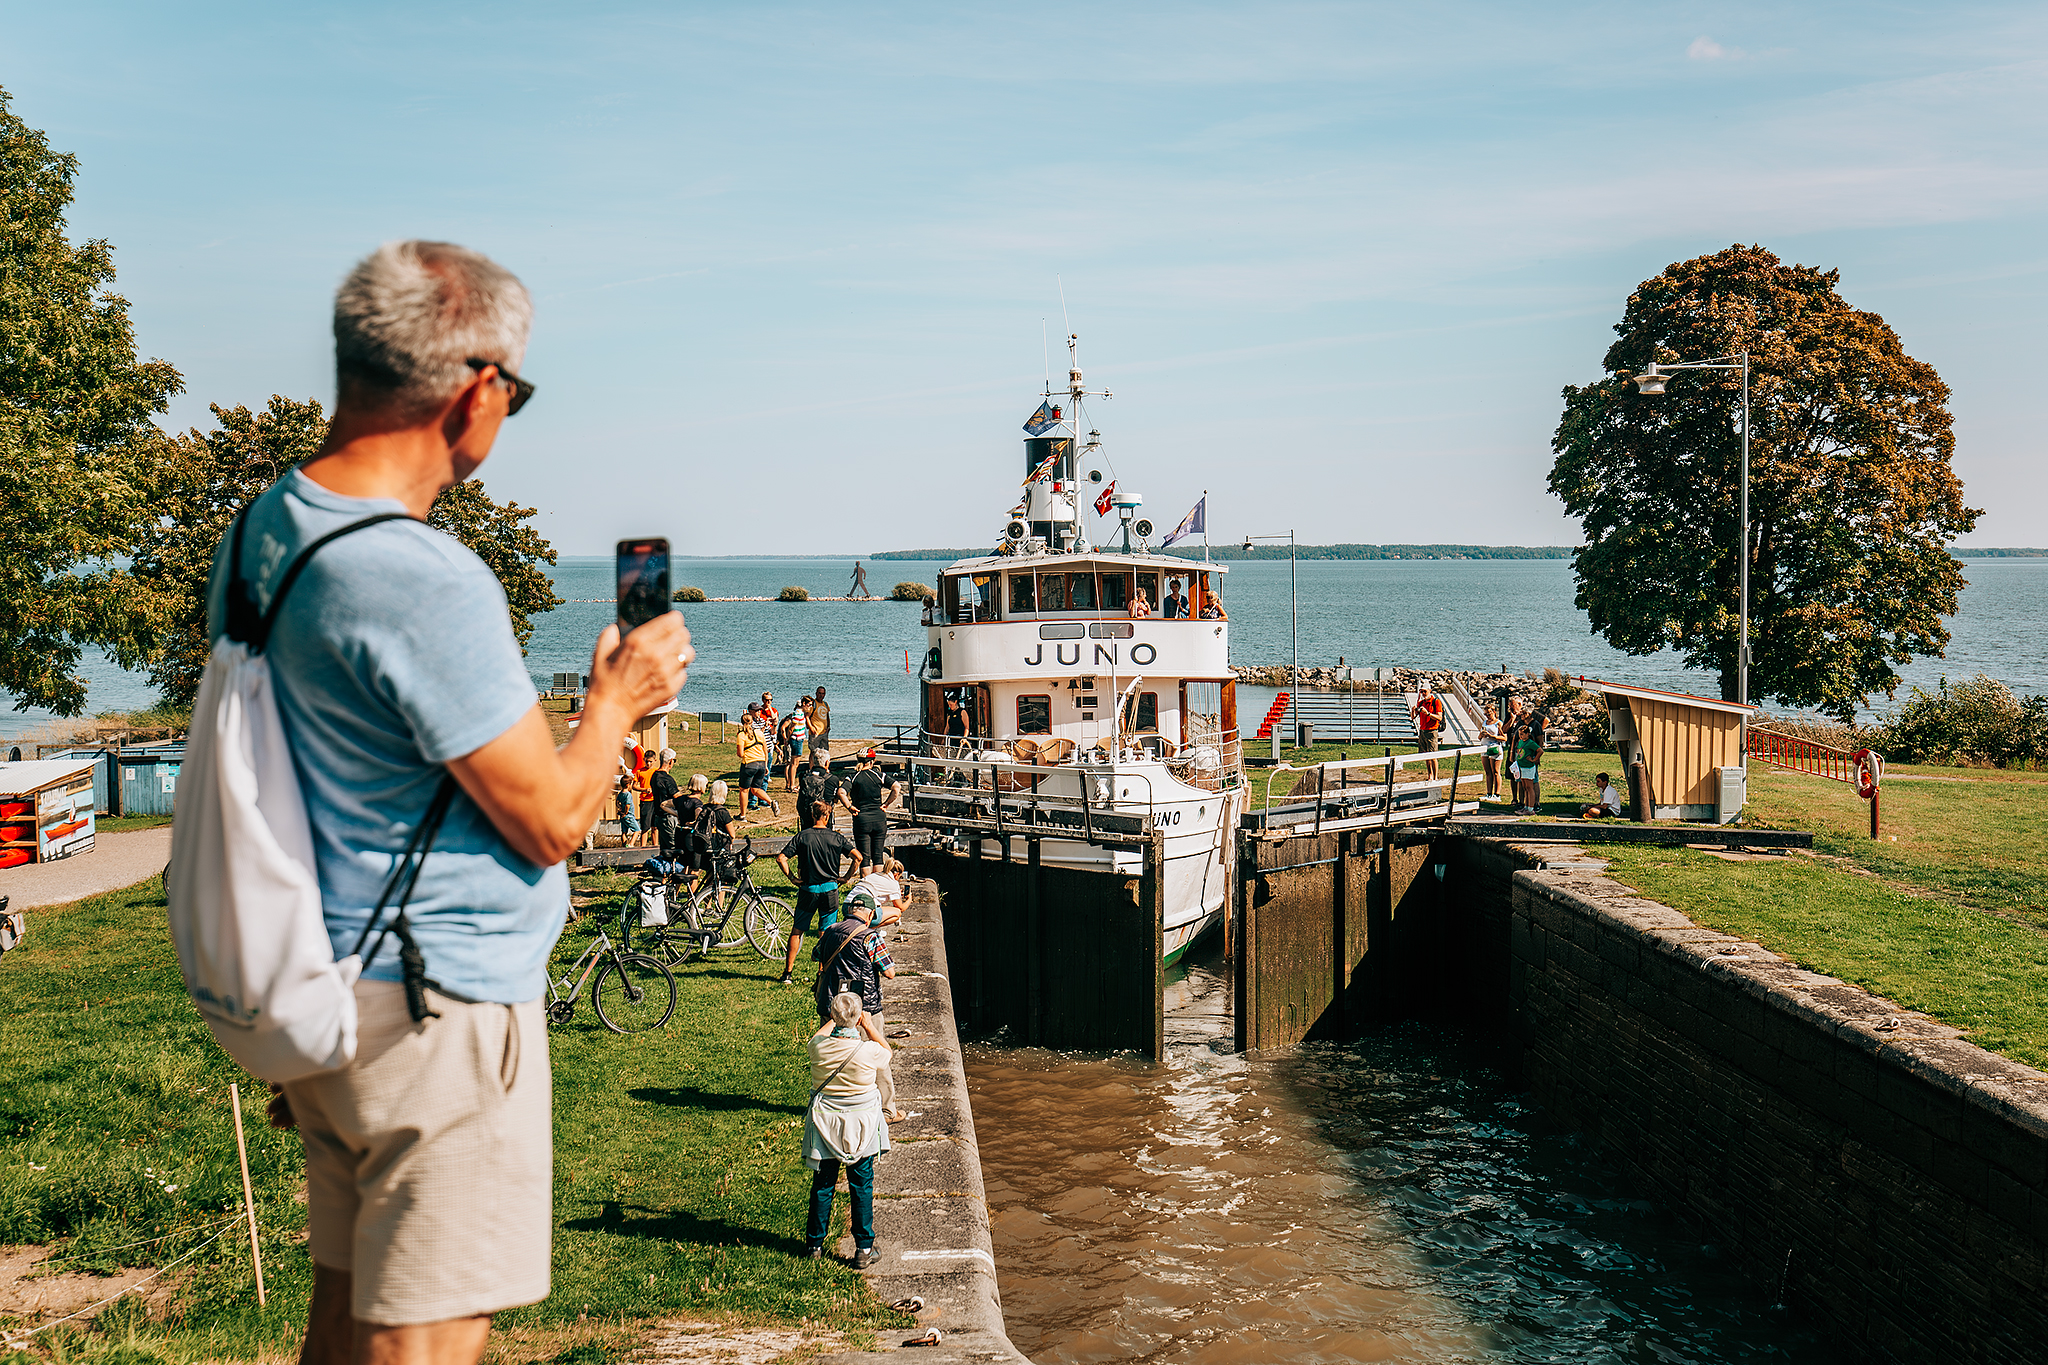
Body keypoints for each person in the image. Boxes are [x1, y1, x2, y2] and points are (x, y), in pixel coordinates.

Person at [219, 241, 691, 1365]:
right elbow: (552, 818)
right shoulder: (420, 576)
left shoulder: (267, 533)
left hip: (327, 988)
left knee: (344, 1316)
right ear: (476, 387)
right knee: (422, 1339)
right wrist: (618, 704)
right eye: (515, 393)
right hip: (435, 1001)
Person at [803, 992, 899, 1266]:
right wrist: (868, 1026)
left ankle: (814, 1245)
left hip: (826, 1122)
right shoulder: (868, 1051)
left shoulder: (818, 1048)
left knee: (823, 1184)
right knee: (861, 1183)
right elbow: (887, 1052)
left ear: (832, 1018)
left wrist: (835, 1019)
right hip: (861, 1123)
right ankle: (864, 1249)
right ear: (858, 1019)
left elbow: (818, 1037)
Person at [776, 799, 860, 985]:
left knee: (797, 930)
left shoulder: (802, 836)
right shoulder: (836, 837)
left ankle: (787, 973)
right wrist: (846, 877)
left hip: (808, 889)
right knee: (826, 932)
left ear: (813, 815)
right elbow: (858, 857)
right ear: (827, 816)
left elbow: (781, 858)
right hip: (830, 890)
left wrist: (792, 878)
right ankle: (822, 972)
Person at [812, 891, 892, 1029]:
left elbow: (815, 955)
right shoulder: (871, 937)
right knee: (868, 1048)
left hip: (832, 1005)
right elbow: (889, 972)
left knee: (833, 1049)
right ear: (871, 914)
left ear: (849, 910)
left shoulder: (830, 930)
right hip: (862, 1008)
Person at [839, 750, 899, 870]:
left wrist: (849, 807)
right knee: (878, 856)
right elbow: (896, 787)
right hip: (879, 817)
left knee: (864, 858)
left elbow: (841, 792)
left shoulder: (852, 777)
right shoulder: (879, 775)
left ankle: (866, 886)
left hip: (862, 819)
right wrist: (886, 804)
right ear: (872, 762)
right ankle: (877, 886)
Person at [735, 706, 779, 819]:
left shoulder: (741, 735)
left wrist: (746, 753)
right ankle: (770, 801)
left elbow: (740, 754)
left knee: (744, 790)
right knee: (756, 789)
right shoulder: (759, 732)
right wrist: (765, 764)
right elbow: (765, 748)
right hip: (761, 763)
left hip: (749, 764)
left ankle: (743, 815)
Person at [675, 774, 708, 889]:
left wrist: (677, 814)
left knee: (682, 867)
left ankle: (674, 894)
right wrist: (695, 822)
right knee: (694, 870)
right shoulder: (697, 803)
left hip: (679, 833)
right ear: (700, 787)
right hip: (691, 837)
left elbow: (663, 805)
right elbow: (698, 814)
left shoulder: (681, 799)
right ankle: (692, 900)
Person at [1411, 682, 1444, 782]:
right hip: (1423, 730)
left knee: (1433, 754)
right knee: (1426, 755)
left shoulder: (1436, 702)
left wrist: (1428, 713)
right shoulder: (1421, 703)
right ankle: (1429, 775)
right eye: (1422, 692)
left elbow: (1439, 717)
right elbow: (1413, 717)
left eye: (1425, 691)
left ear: (1430, 691)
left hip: (1432, 731)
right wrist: (1413, 710)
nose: (1423, 693)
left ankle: (1435, 776)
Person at [650, 748, 679, 858]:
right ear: (670, 761)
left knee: (664, 849)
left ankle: (664, 872)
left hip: (658, 816)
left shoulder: (654, 776)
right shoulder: (667, 779)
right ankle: (673, 870)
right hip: (669, 817)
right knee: (673, 848)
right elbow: (676, 797)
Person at [1512, 723, 1544, 814]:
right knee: (1525, 787)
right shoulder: (1521, 741)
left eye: (1522, 734)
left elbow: (1540, 751)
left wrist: (1534, 759)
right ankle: (1526, 806)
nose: (1520, 736)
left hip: (1528, 768)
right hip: (1521, 766)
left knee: (1530, 788)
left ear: (1527, 734)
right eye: (1519, 734)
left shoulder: (1530, 743)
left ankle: (1530, 808)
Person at [780, 701, 810, 793]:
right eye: (808, 705)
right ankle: (791, 785)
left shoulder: (799, 714)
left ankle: (790, 784)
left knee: (794, 763)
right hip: (796, 739)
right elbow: (790, 727)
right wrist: (787, 739)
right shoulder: (797, 714)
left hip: (798, 739)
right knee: (794, 763)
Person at [1479, 706, 1504, 800]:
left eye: (1488, 714)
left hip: (1494, 747)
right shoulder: (1484, 723)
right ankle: (1489, 793)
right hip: (1484, 747)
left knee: (1496, 771)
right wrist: (1482, 735)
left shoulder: (1498, 723)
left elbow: (1504, 738)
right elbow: (1479, 737)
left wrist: (1492, 736)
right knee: (1488, 772)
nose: (1487, 716)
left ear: (1493, 712)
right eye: (1485, 714)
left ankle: (1497, 794)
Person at [808, 686, 831, 768]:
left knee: (825, 752)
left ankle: (824, 768)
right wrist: (811, 727)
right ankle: (811, 768)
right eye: (819, 693)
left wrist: (828, 726)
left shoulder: (825, 704)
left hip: (824, 732)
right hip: (815, 733)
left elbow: (827, 716)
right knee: (813, 751)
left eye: (823, 693)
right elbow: (807, 717)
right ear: (816, 693)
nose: (821, 695)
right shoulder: (812, 704)